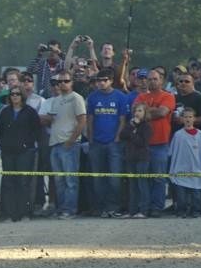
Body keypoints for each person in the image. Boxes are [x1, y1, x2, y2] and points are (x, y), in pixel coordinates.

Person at [86, 69, 129, 217]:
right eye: (99, 80)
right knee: (98, 179)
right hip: (96, 143)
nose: (101, 83)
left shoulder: (120, 97)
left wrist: (117, 138)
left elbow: (122, 120)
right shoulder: (92, 97)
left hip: (114, 143)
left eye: (104, 80)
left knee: (114, 179)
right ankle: (101, 208)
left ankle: (114, 207)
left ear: (111, 81)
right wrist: (90, 138)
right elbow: (90, 119)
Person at [134, 69, 176, 216]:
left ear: (161, 81)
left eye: (155, 79)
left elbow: (162, 112)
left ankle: (157, 207)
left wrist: (144, 112)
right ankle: (144, 207)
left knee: (158, 178)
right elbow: (135, 113)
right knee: (143, 177)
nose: (151, 81)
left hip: (161, 143)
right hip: (142, 143)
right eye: (149, 79)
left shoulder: (168, 96)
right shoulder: (140, 96)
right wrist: (152, 111)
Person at [46, 72, 87, 219]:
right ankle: (61, 208)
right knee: (59, 180)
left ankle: (70, 210)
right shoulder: (56, 100)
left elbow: (82, 120)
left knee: (71, 180)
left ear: (72, 83)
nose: (62, 83)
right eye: (60, 81)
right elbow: (53, 119)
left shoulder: (76, 98)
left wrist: (71, 140)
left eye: (66, 81)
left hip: (69, 144)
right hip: (55, 143)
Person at [0, 87, 40, 222]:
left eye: (17, 94)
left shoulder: (30, 112)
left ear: (22, 96)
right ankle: (9, 214)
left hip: (25, 153)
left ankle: (25, 213)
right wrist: (4, 145)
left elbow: (36, 130)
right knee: (9, 182)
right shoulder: (5, 112)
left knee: (23, 182)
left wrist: (27, 144)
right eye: (12, 94)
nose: (15, 96)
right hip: (8, 153)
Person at [169, 109, 201, 217]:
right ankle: (181, 211)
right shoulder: (178, 135)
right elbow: (172, 152)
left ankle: (196, 211)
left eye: (190, 117)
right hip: (181, 169)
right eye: (185, 117)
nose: (188, 119)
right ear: (182, 119)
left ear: (194, 119)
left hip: (197, 169)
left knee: (197, 195)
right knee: (181, 196)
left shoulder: (200, 135)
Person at [119, 102, 153, 219]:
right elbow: (122, 135)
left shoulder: (146, 126)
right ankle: (132, 210)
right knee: (132, 185)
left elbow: (142, 142)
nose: (137, 113)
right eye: (136, 111)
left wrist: (132, 134)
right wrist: (131, 127)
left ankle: (144, 210)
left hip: (142, 158)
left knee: (142, 184)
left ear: (145, 113)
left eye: (140, 111)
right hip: (130, 157)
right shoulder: (131, 124)